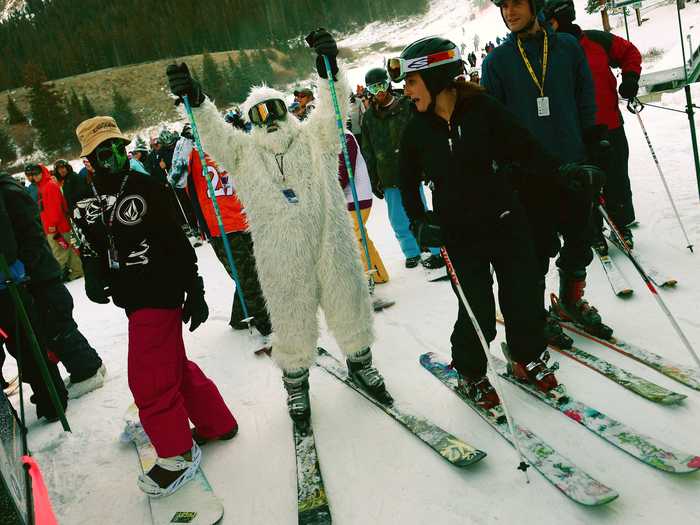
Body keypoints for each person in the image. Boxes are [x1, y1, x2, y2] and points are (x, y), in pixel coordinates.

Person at [166, 28, 391, 428]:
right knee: (290, 317)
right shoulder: (244, 152)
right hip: (280, 254)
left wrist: (328, 69)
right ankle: (296, 384)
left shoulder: (314, 139)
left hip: (329, 240)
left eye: (274, 110)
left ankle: (362, 361)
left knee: (350, 300)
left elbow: (332, 108)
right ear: (251, 122)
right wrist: (197, 101)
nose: (268, 120)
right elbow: (214, 134)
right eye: (258, 115)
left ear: (287, 113)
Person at [390, 36, 603, 403]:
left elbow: (526, 149)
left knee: (522, 296)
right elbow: (406, 183)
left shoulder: (483, 110)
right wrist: (420, 221)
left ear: (436, 76)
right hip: (458, 232)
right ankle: (471, 371)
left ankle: (527, 357)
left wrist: (564, 172)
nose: (406, 91)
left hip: (505, 219)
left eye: (410, 81)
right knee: (477, 309)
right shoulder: (417, 130)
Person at [72, 116, 237, 497]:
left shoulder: (145, 185)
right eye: (104, 151)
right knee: (173, 366)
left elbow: (176, 241)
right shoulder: (83, 193)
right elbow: (89, 239)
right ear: (89, 159)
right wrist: (94, 272)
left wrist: (194, 287)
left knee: (149, 379)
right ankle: (217, 423)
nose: (115, 155)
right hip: (130, 296)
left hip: (159, 292)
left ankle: (176, 454)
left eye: (118, 147)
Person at [482, 0, 613, 344]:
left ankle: (570, 300)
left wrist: (595, 136)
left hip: (573, 162)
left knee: (580, 237)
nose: (509, 12)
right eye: (504, 6)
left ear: (535, 5)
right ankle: (536, 315)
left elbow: (585, 94)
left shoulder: (567, 47)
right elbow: (494, 120)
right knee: (536, 251)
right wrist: (504, 164)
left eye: (517, 3)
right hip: (529, 175)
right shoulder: (496, 62)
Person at [542, 0, 641, 252]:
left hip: (609, 126)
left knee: (616, 180)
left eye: (549, 21)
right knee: (582, 186)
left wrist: (630, 77)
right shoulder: (544, 53)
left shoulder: (595, 41)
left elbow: (629, 52)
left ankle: (620, 225)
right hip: (573, 134)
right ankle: (592, 232)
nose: (545, 27)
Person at [184, 135, 273, 341]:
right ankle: (267, 324)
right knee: (247, 276)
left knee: (254, 270)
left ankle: (239, 316)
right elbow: (183, 185)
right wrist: (200, 222)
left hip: (244, 218)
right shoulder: (194, 154)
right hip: (221, 225)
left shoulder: (230, 146)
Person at [0, 171, 69, 421]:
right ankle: (48, 398)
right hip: (16, 278)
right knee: (25, 344)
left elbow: (29, 234)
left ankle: (52, 400)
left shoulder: (8, 191)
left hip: (17, 279)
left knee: (32, 343)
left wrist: (22, 267)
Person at [360, 67, 444, 270]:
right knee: (397, 219)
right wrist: (373, 179)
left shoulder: (407, 106)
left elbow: (423, 135)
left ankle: (434, 250)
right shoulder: (369, 118)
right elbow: (367, 150)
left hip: (412, 171)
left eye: (381, 85)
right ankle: (411, 251)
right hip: (387, 175)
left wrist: (427, 164)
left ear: (388, 84)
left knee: (420, 211)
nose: (378, 91)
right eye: (373, 88)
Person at [339, 129, 389, 284]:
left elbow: (344, 172)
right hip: (348, 198)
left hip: (357, 196)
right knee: (358, 234)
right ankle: (378, 273)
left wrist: (331, 190)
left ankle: (373, 274)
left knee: (355, 235)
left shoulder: (344, 136)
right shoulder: (328, 137)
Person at [24, 163, 83, 282]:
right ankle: (78, 271)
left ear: (42, 172)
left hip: (56, 227)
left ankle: (56, 277)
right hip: (54, 226)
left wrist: (52, 225)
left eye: (36, 174)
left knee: (59, 252)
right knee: (67, 248)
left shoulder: (49, 186)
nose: (34, 177)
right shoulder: (43, 186)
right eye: (32, 175)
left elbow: (55, 207)